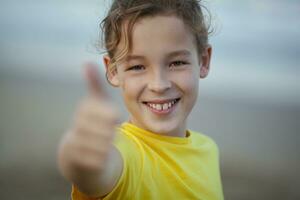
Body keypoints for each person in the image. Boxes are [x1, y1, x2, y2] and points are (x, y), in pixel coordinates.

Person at [57, 0, 224, 199]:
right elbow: (97, 173)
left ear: (204, 61)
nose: (159, 85)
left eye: (177, 62)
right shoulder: (123, 154)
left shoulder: (208, 149)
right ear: (112, 71)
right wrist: (77, 155)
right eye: (137, 67)